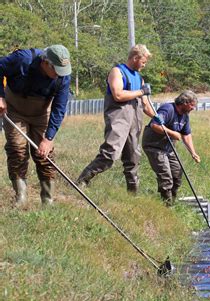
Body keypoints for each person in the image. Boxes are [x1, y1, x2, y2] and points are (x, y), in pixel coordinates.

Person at [76, 44, 155, 193]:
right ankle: (82, 180)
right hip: (119, 118)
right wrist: (140, 91)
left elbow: (145, 105)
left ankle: (132, 193)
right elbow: (118, 95)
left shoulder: (139, 78)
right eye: (143, 62)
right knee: (110, 153)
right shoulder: (117, 72)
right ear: (135, 57)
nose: (144, 65)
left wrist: (157, 118)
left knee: (133, 157)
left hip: (135, 122)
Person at [0, 45, 72, 206]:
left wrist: (49, 138)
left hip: (41, 113)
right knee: (17, 149)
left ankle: (47, 199)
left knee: (45, 154)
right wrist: (0, 96)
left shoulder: (63, 76)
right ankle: (21, 197)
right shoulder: (22, 59)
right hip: (14, 110)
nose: (59, 75)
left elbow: (59, 108)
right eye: (56, 70)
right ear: (45, 63)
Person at [142, 90, 200, 205]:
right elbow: (155, 125)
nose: (193, 108)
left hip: (168, 149)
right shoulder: (168, 109)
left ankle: (172, 201)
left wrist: (193, 153)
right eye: (192, 105)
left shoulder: (185, 116)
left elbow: (186, 135)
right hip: (154, 146)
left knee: (177, 174)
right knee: (166, 177)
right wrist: (172, 133)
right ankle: (166, 205)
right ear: (184, 102)